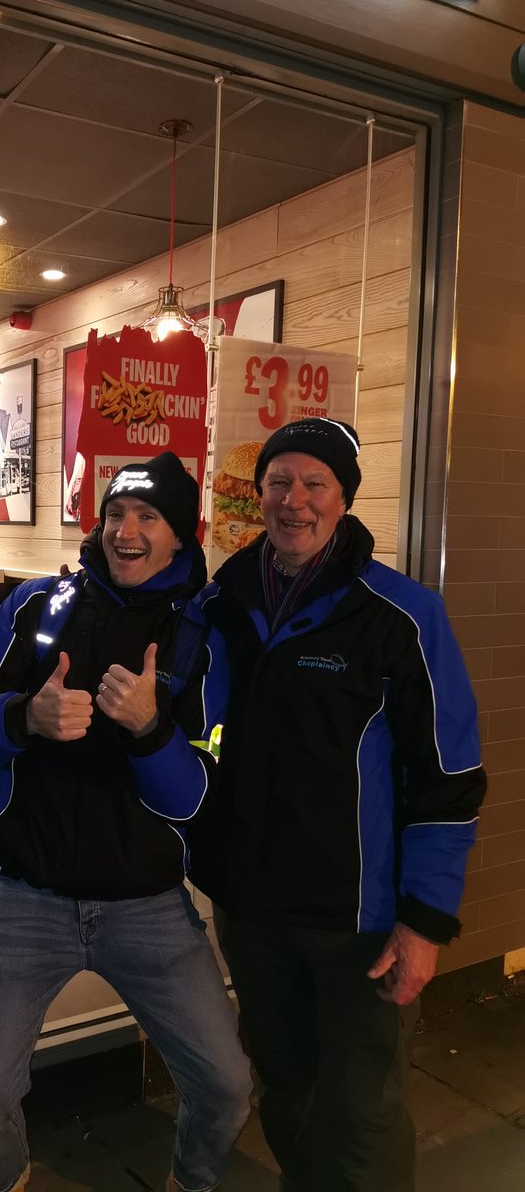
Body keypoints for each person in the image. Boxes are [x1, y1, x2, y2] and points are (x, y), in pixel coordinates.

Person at [0, 452, 252, 1192]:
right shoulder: (39, 607)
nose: (126, 531)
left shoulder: (205, 639)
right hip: (24, 900)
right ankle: (10, 1182)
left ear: (182, 534)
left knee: (227, 1084)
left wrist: (149, 730)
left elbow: (194, 800)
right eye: (116, 514)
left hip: (148, 908)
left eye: (148, 517)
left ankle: (194, 1181)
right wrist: (26, 718)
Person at [190, 418, 487, 1192]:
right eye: (278, 482)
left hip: (363, 924)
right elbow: (197, 733)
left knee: (361, 1113)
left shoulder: (402, 614)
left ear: (344, 500)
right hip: (254, 912)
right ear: (257, 496)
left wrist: (425, 922)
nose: (294, 500)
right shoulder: (222, 602)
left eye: (314, 483)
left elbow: (448, 777)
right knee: (285, 1095)